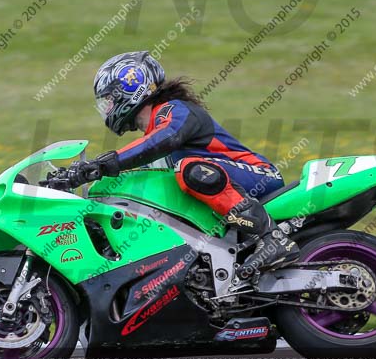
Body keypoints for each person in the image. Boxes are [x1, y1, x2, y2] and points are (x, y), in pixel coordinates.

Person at [69, 51, 299, 279]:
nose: (107, 108)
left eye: (109, 100)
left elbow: (164, 139)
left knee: (190, 169)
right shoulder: (153, 134)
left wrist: (102, 164)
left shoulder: (174, 109)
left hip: (260, 175)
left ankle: (273, 238)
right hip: (225, 187)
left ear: (132, 87)